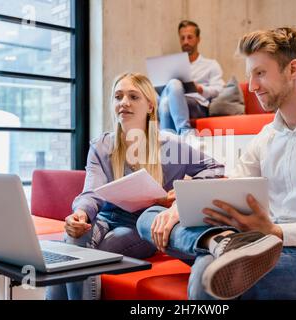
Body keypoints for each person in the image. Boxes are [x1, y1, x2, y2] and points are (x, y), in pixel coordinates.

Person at [136, 27, 296, 300]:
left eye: (260, 73)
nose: (251, 86)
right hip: (258, 242)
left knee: (207, 274)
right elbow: (232, 186)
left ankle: (220, 249)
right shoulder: (266, 136)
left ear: (293, 69)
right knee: (151, 217)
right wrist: (181, 207)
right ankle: (219, 242)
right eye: (250, 75)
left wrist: (275, 231)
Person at [45, 72, 224, 300]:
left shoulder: (170, 146)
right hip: (103, 218)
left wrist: (180, 194)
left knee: (82, 254)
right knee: (72, 240)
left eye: (133, 96)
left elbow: (215, 169)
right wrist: (80, 214)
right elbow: (91, 191)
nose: (124, 103)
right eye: (118, 97)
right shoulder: (101, 146)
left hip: (140, 226)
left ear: (150, 105)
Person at [158, 20, 225, 135]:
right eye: (182, 38)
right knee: (165, 100)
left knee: (171, 91)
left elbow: (220, 89)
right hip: (171, 102)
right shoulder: (172, 66)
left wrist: (200, 89)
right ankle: (183, 135)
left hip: (197, 105)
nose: (186, 42)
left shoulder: (210, 64)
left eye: (190, 37)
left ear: (198, 39)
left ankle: (169, 141)